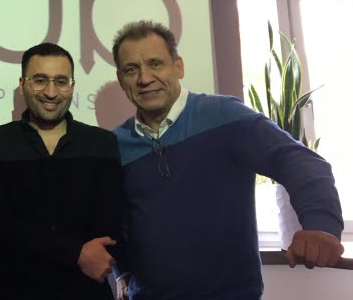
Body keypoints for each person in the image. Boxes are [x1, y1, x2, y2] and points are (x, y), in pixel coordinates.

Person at [111, 20, 345, 300]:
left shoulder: (225, 116)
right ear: (121, 80)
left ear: (179, 67)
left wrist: (320, 224)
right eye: (131, 69)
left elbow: (299, 162)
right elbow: (117, 217)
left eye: (155, 64)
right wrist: (122, 271)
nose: (144, 78)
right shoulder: (116, 144)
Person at [0, 43, 124, 300]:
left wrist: (44, 247)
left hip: (85, 292)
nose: (51, 92)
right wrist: (77, 254)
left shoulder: (101, 143)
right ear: (23, 84)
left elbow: (108, 226)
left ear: (72, 86)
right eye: (40, 80)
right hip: (15, 292)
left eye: (61, 81)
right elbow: (0, 228)